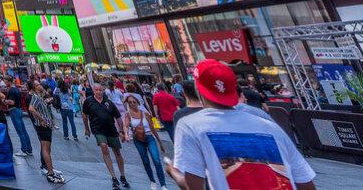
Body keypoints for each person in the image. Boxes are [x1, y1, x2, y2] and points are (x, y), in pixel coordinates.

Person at [168, 60, 316, 190]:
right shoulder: (271, 127)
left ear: (199, 90)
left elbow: (194, 187)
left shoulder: (189, 125)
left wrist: (174, 172)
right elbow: (305, 182)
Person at [82, 82, 130, 189]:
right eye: (96, 90)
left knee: (117, 151)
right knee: (104, 147)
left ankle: (122, 176)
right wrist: (87, 128)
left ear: (103, 91)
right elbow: (84, 114)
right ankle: (113, 177)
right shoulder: (88, 101)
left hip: (111, 130)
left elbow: (117, 116)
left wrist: (121, 131)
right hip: (97, 129)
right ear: (93, 91)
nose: (99, 92)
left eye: (100, 90)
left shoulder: (108, 102)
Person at [123, 93, 167, 189]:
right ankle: (152, 181)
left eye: (134, 102)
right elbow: (126, 125)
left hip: (150, 137)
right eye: (130, 102)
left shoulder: (145, 114)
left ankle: (163, 185)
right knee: (145, 161)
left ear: (138, 103)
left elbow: (153, 129)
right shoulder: (128, 114)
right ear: (128, 104)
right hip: (138, 139)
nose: (132, 103)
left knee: (157, 161)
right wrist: (126, 134)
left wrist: (160, 143)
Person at [29, 82, 67, 184]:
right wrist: (42, 119)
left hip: (46, 126)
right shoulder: (36, 97)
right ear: (36, 87)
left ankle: (50, 169)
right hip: (43, 126)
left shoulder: (39, 97)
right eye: (39, 85)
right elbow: (31, 109)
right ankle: (50, 173)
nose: (41, 86)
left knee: (47, 149)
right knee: (45, 149)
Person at [6, 81, 35, 157]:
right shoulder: (17, 89)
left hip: (14, 110)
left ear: (8, 81)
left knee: (20, 132)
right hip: (19, 110)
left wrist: (4, 101)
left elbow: (11, 102)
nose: (5, 83)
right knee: (24, 131)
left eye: (5, 81)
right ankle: (29, 149)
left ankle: (23, 150)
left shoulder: (11, 90)